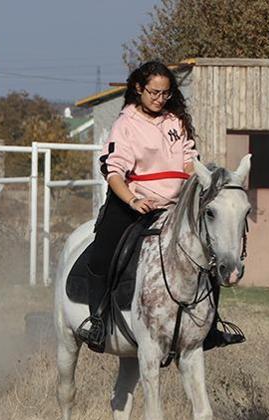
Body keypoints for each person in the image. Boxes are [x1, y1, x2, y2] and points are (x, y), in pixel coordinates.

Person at [78, 61, 243, 350]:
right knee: (103, 253)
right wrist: (133, 199)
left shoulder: (175, 121)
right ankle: (98, 320)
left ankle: (210, 327)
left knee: (207, 253)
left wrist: (200, 180)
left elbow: (189, 161)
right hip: (132, 202)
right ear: (138, 88)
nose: (160, 99)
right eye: (154, 92)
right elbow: (113, 172)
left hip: (176, 205)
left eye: (165, 93)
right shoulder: (125, 124)